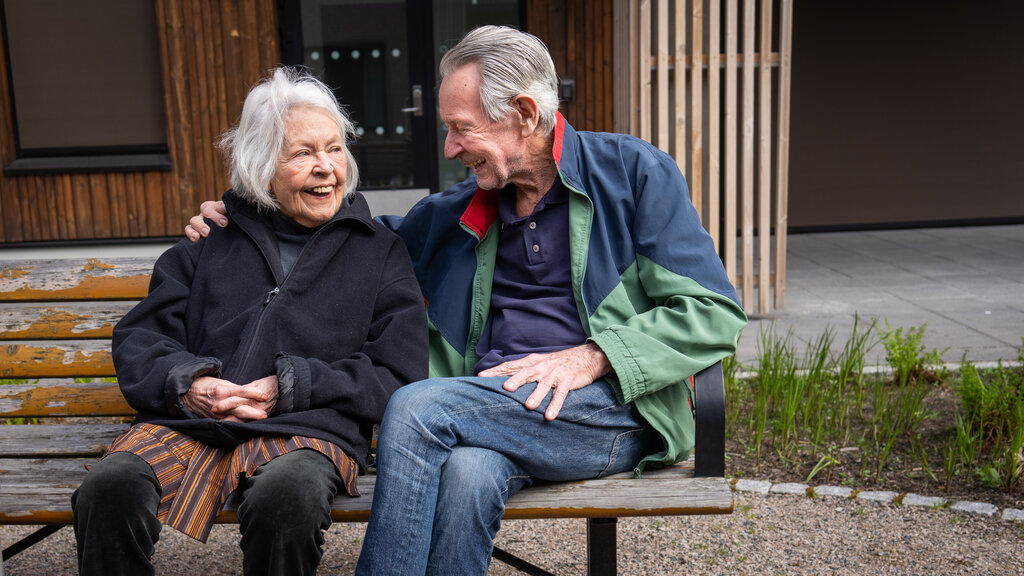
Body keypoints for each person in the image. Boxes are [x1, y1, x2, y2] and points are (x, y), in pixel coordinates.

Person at [187, 26, 747, 576]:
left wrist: (593, 356)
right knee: (469, 474)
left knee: (418, 406)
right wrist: (245, 212)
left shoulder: (633, 174)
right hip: (490, 409)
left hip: (610, 411)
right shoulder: (461, 208)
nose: (451, 147)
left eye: (461, 129)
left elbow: (714, 312)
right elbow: (348, 237)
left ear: (525, 114)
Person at [73, 67, 427, 576]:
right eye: (302, 153)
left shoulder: (380, 253)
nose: (326, 167)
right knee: (107, 491)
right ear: (261, 167)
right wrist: (189, 383)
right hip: (191, 423)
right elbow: (140, 339)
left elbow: (398, 371)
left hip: (308, 430)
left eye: (333, 149)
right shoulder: (211, 239)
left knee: (288, 500)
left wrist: (292, 385)